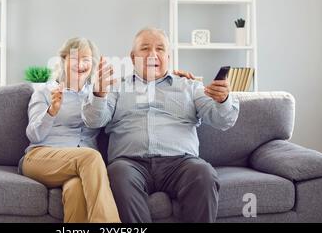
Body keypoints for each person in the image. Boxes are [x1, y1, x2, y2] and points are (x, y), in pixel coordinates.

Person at [82, 27, 239, 223]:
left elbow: (223, 120)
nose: (153, 54)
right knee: (117, 174)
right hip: (130, 163)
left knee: (203, 173)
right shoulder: (116, 87)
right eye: (145, 48)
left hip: (181, 163)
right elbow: (94, 120)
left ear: (169, 56)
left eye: (160, 49)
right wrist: (99, 93)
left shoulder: (190, 86)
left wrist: (223, 100)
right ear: (133, 57)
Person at [19, 37, 121, 223]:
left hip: (79, 167)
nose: (80, 64)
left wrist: (99, 94)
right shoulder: (45, 91)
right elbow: (33, 134)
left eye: (86, 59)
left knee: (75, 189)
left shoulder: (97, 93)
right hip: (41, 157)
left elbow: (97, 121)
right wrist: (51, 112)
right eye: (75, 59)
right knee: (90, 156)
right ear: (63, 60)